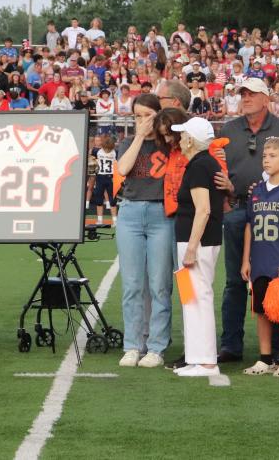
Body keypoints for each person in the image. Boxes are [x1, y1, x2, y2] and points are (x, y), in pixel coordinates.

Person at [219, 78, 279, 362]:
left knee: (275, 280)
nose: (245, 98)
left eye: (251, 94)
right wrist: (226, 199)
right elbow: (219, 168)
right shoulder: (228, 129)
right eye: (242, 94)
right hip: (237, 210)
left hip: (274, 212)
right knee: (235, 281)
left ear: (266, 98)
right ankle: (231, 344)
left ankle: (275, 347)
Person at [115, 94, 172, 369]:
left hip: (162, 214)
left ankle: (157, 346)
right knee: (132, 284)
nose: (142, 121)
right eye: (137, 116)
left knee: (160, 284)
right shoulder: (128, 142)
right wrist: (138, 137)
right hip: (130, 213)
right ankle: (132, 345)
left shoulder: (170, 144)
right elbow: (123, 168)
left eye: (147, 115)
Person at [241, 136, 279, 377]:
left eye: (273, 155)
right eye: (265, 156)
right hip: (259, 260)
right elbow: (249, 226)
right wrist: (246, 259)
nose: (266, 160)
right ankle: (265, 358)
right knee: (262, 311)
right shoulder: (256, 190)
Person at [171, 117, 225, 377]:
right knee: (190, 298)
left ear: (191, 139)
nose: (180, 140)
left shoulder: (200, 165)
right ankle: (197, 358)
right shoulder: (202, 164)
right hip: (195, 240)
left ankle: (205, 362)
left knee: (198, 298)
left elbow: (203, 210)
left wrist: (192, 246)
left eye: (182, 135)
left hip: (198, 242)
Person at [92, 134, 117, 225]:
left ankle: (115, 220)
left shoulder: (115, 152)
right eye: (106, 148)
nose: (107, 151)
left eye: (109, 149)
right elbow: (91, 157)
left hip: (111, 177)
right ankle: (99, 220)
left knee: (112, 200)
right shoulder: (97, 151)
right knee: (98, 199)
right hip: (100, 177)